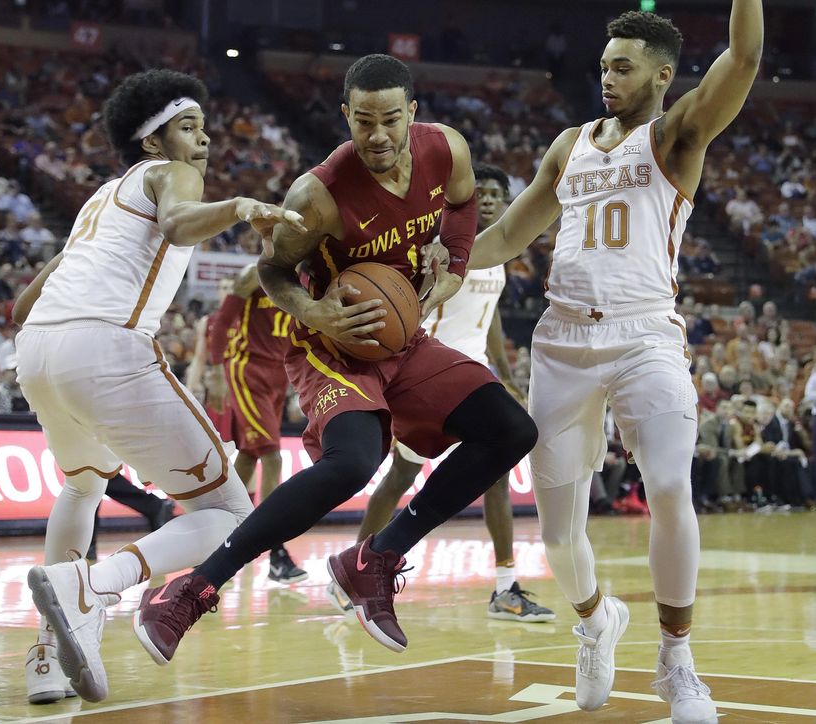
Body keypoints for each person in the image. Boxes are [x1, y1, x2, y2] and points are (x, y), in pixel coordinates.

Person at [134, 53, 538, 663]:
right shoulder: (317, 193)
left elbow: (460, 208)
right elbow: (272, 271)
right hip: (333, 345)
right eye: (363, 121)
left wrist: (453, 267)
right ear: (346, 115)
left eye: (391, 120)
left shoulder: (447, 150)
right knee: (355, 462)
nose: (377, 135)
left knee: (510, 430)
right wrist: (316, 312)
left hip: (403, 339)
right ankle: (192, 589)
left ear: (413, 115)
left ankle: (374, 556)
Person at [467, 6, 762, 722]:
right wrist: (433, 268)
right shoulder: (569, 145)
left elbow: (745, 57)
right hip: (562, 341)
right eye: (603, 64)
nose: (607, 75)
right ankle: (597, 621)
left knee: (667, 485)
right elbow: (507, 232)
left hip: (644, 338)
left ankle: (677, 662)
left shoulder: (676, 135)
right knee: (561, 536)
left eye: (622, 65)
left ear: (663, 75)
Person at [18, 69, 305, 704]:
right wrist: (236, 208)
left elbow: (24, 304)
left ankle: (48, 653)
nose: (201, 139)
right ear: (153, 142)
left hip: (37, 349)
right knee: (230, 512)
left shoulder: (98, 201)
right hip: (103, 347)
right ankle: (96, 587)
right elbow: (177, 224)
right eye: (186, 126)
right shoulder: (172, 174)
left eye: (203, 126)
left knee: (81, 486)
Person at [326, 164, 553, 623]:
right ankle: (353, 570)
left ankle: (506, 588)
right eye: (481, 192)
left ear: (507, 204)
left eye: (496, 194)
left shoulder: (497, 253)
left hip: (473, 378)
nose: (487, 199)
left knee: (495, 479)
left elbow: (488, 315)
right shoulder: (442, 249)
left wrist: (504, 370)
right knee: (398, 480)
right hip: (434, 377)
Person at [205, 263, 307, 584]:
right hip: (247, 368)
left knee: (249, 456)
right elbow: (221, 322)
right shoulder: (254, 273)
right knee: (271, 457)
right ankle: (276, 553)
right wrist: (216, 372)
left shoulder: (304, 278)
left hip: (279, 374)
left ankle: (213, 526)